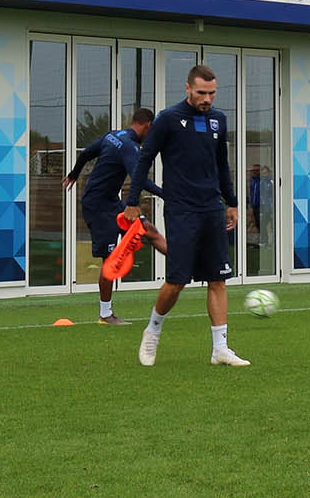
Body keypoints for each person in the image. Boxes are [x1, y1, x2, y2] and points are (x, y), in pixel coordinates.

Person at [125, 65, 248, 368]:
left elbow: (222, 166)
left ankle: (220, 348)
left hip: (211, 208)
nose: (207, 99)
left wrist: (231, 203)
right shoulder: (168, 120)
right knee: (177, 280)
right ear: (188, 89)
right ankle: (152, 331)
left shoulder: (219, 120)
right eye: (201, 93)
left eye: (212, 93)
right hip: (181, 209)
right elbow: (144, 161)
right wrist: (132, 202)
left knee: (218, 279)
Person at [64, 106, 167, 325]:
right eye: (153, 131)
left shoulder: (112, 136)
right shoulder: (129, 147)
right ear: (147, 126)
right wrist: (167, 194)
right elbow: (140, 179)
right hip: (98, 207)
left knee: (148, 229)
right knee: (110, 260)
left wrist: (74, 173)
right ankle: (105, 314)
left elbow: (85, 154)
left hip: (112, 203)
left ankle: (184, 262)